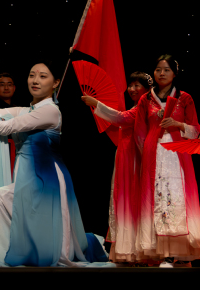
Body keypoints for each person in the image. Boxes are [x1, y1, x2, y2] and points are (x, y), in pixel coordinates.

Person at [0, 60, 108, 267]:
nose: (35, 80)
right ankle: (2, 259)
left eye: (43, 76)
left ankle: (41, 253)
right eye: (32, 75)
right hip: (27, 177)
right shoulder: (27, 111)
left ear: (56, 83)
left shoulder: (50, 111)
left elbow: (8, 127)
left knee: (50, 238)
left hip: (47, 179)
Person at [134, 55, 200, 267]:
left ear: (175, 73)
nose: (161, 73)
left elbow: (195, 130)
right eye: (158, 69)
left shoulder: (185, 98)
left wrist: (178, 125)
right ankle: (161, 252)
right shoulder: (146, 99)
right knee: (156, 199)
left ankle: (176, 252)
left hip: (176, 155)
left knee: (176, 198)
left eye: (166, 70)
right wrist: (145, 154)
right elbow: (139, 132)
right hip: (153, 154)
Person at [81, 71, 152, 264]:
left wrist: (96, 104)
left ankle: (138, 250)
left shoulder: (145, 107)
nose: (132, 89)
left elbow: (121, 118)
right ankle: (127, 249)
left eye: (137, 85)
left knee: (132, 198)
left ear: (147, 89)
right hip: (125, 155)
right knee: (123, 197)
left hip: (135, 156)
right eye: (131, 85)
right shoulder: (137, 106)